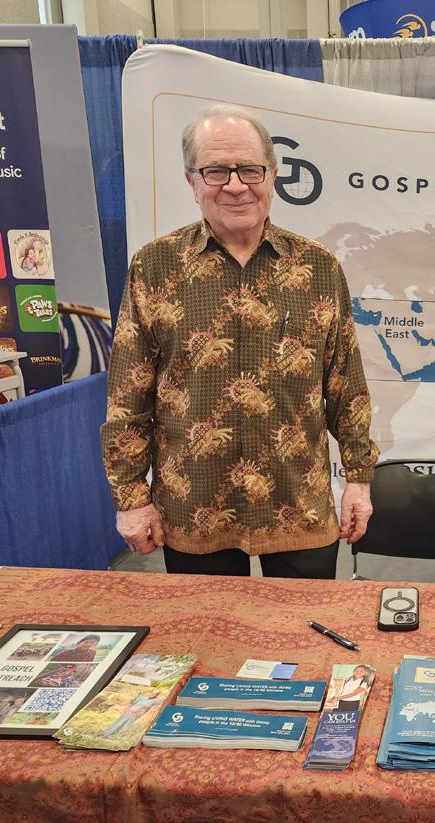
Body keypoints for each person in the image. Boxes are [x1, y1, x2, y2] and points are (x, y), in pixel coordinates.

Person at [102, 103, 379, 579]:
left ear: (272, 175)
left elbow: (346, 387)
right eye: (215, 171)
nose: (235, 185)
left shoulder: (318, 267)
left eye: (250, 169)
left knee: (303, 623)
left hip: (299, 503)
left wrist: (358, 480)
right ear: (191, 180)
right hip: (194, 507)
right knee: (205, 625)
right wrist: (131, 498)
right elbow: (129, 393)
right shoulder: (155, 266)